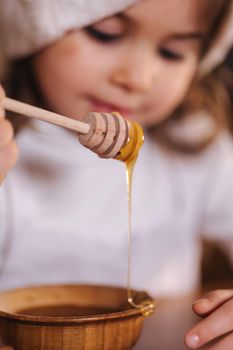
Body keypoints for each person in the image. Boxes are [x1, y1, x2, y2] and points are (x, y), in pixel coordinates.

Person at [0, 0, 233, 349]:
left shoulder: (196, 144)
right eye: (104, 34)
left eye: (172, 52)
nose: (137, 78)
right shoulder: (8, 153)